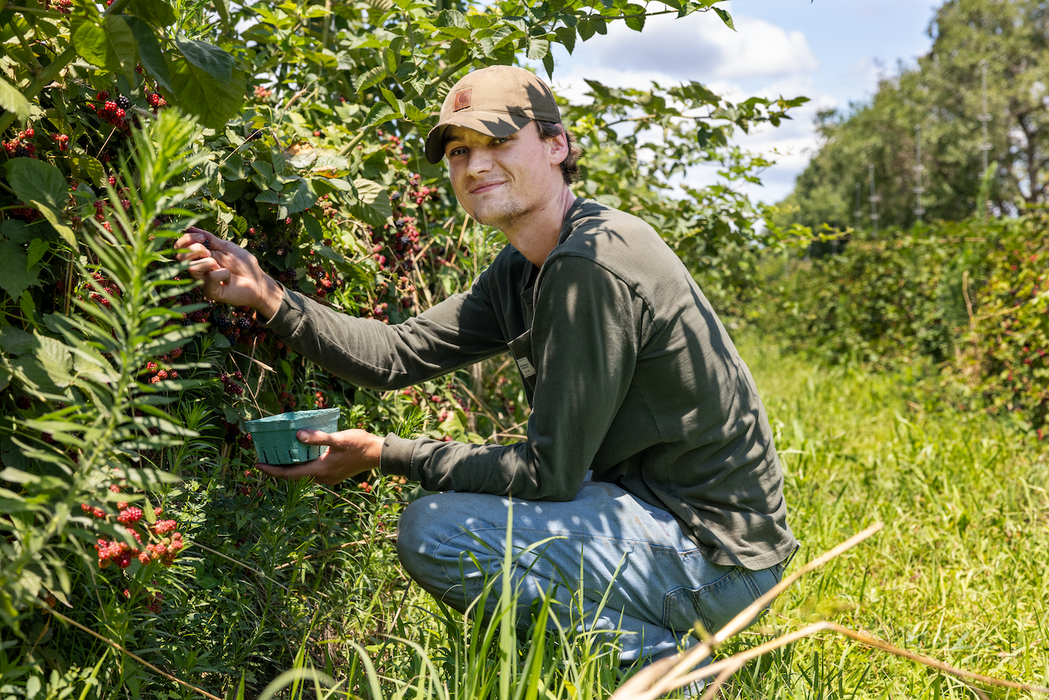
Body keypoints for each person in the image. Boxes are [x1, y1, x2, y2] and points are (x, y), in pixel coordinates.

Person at [175, 65, 797, 669]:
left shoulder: (589, 264)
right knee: (465, 521)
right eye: (456, 152)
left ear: (556, 145)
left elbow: (549, 473)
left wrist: (386, 454)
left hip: (716, 558)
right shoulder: (529, 264)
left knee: (436, 529)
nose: (474, 166)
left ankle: (667, 671)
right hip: (656, 518)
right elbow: (397, 354)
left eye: (497, 141)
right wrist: (269, 296)